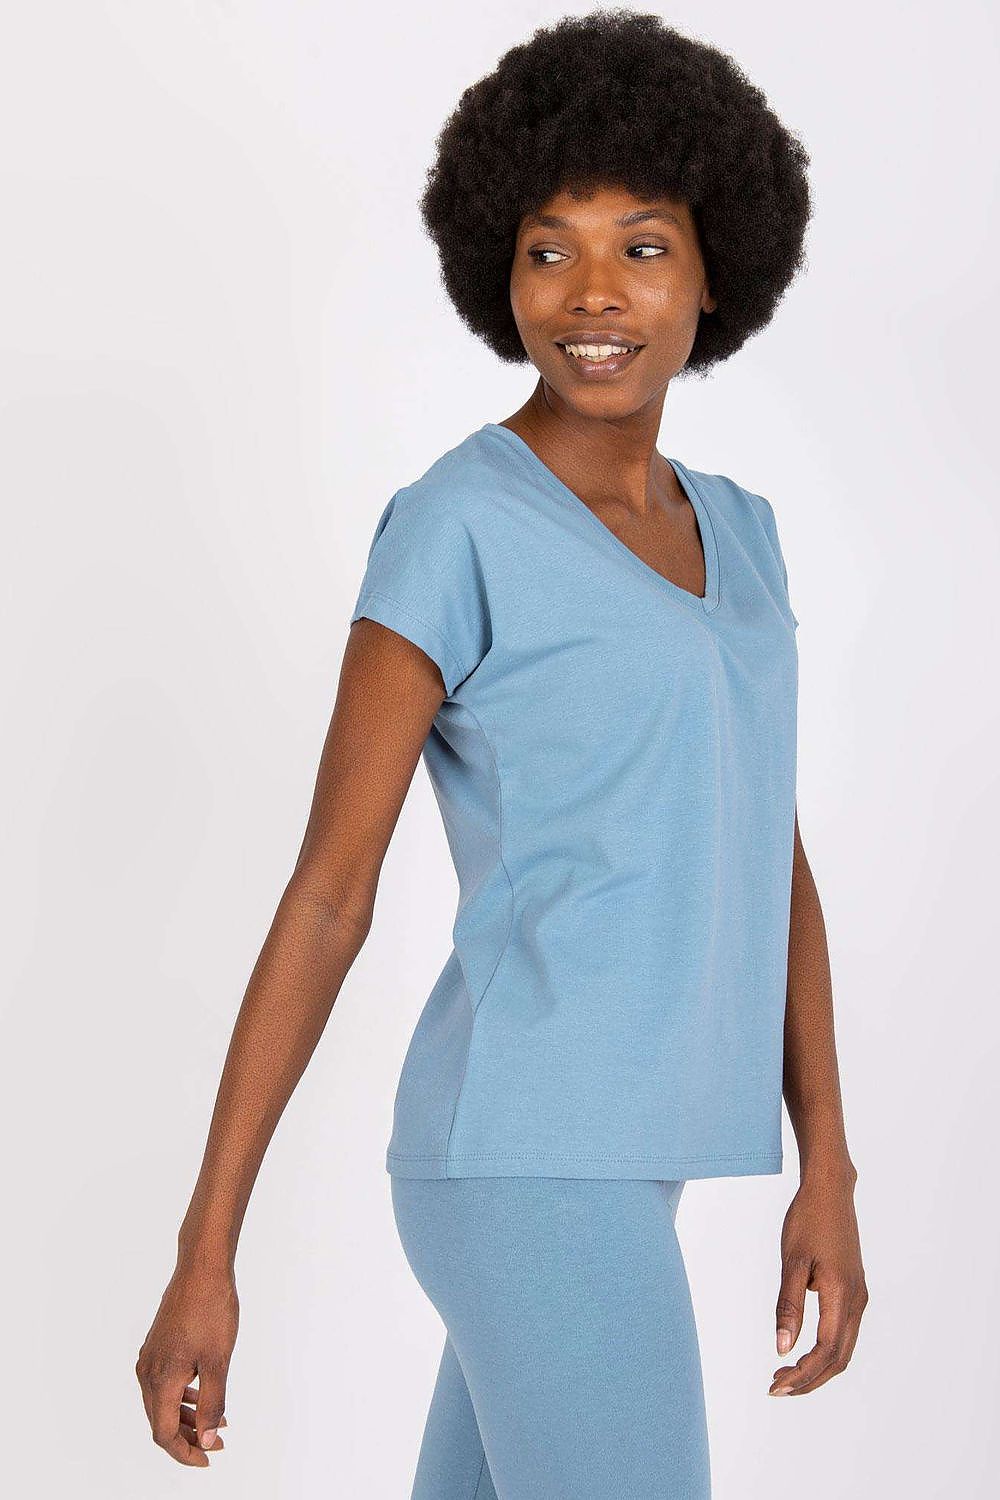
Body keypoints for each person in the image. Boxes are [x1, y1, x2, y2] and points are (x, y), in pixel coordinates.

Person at [136, 10, 868, 1494]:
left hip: (630, 1162)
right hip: (523, 1158)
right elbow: (331, 891)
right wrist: (207, 1249)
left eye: (643, 247)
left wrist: (830, 1164)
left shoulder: (745, 535)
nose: (593, 294)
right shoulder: (456, 523)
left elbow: (768, 852)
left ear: (715, 270)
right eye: (550, 249)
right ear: (500, 269)